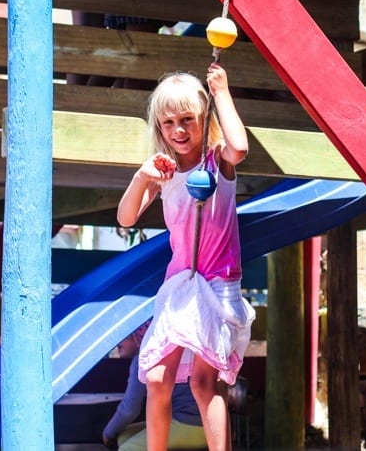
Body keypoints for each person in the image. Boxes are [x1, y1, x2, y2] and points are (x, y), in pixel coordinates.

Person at [117, 63, 254, 451]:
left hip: (216, 284)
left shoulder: (217, 162)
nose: (178, 130)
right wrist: (142, 177)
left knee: (202, 382)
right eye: (168, 123)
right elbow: (126, 218)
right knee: (158, 377)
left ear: (203, 118)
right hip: (180, 286)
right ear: (159, 128)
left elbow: (240, 147)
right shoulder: (164, 172)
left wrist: (222, 91)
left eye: (187, 119)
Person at [102, 320, 206, 450]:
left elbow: (129, 410)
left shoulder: (144, 358)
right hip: (202, 425)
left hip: (188, 424)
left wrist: (107, 433)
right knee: (124, 436)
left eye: (122, 338)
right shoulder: (167, 348)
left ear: (137, 336)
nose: (117, 344)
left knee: (126, 449)